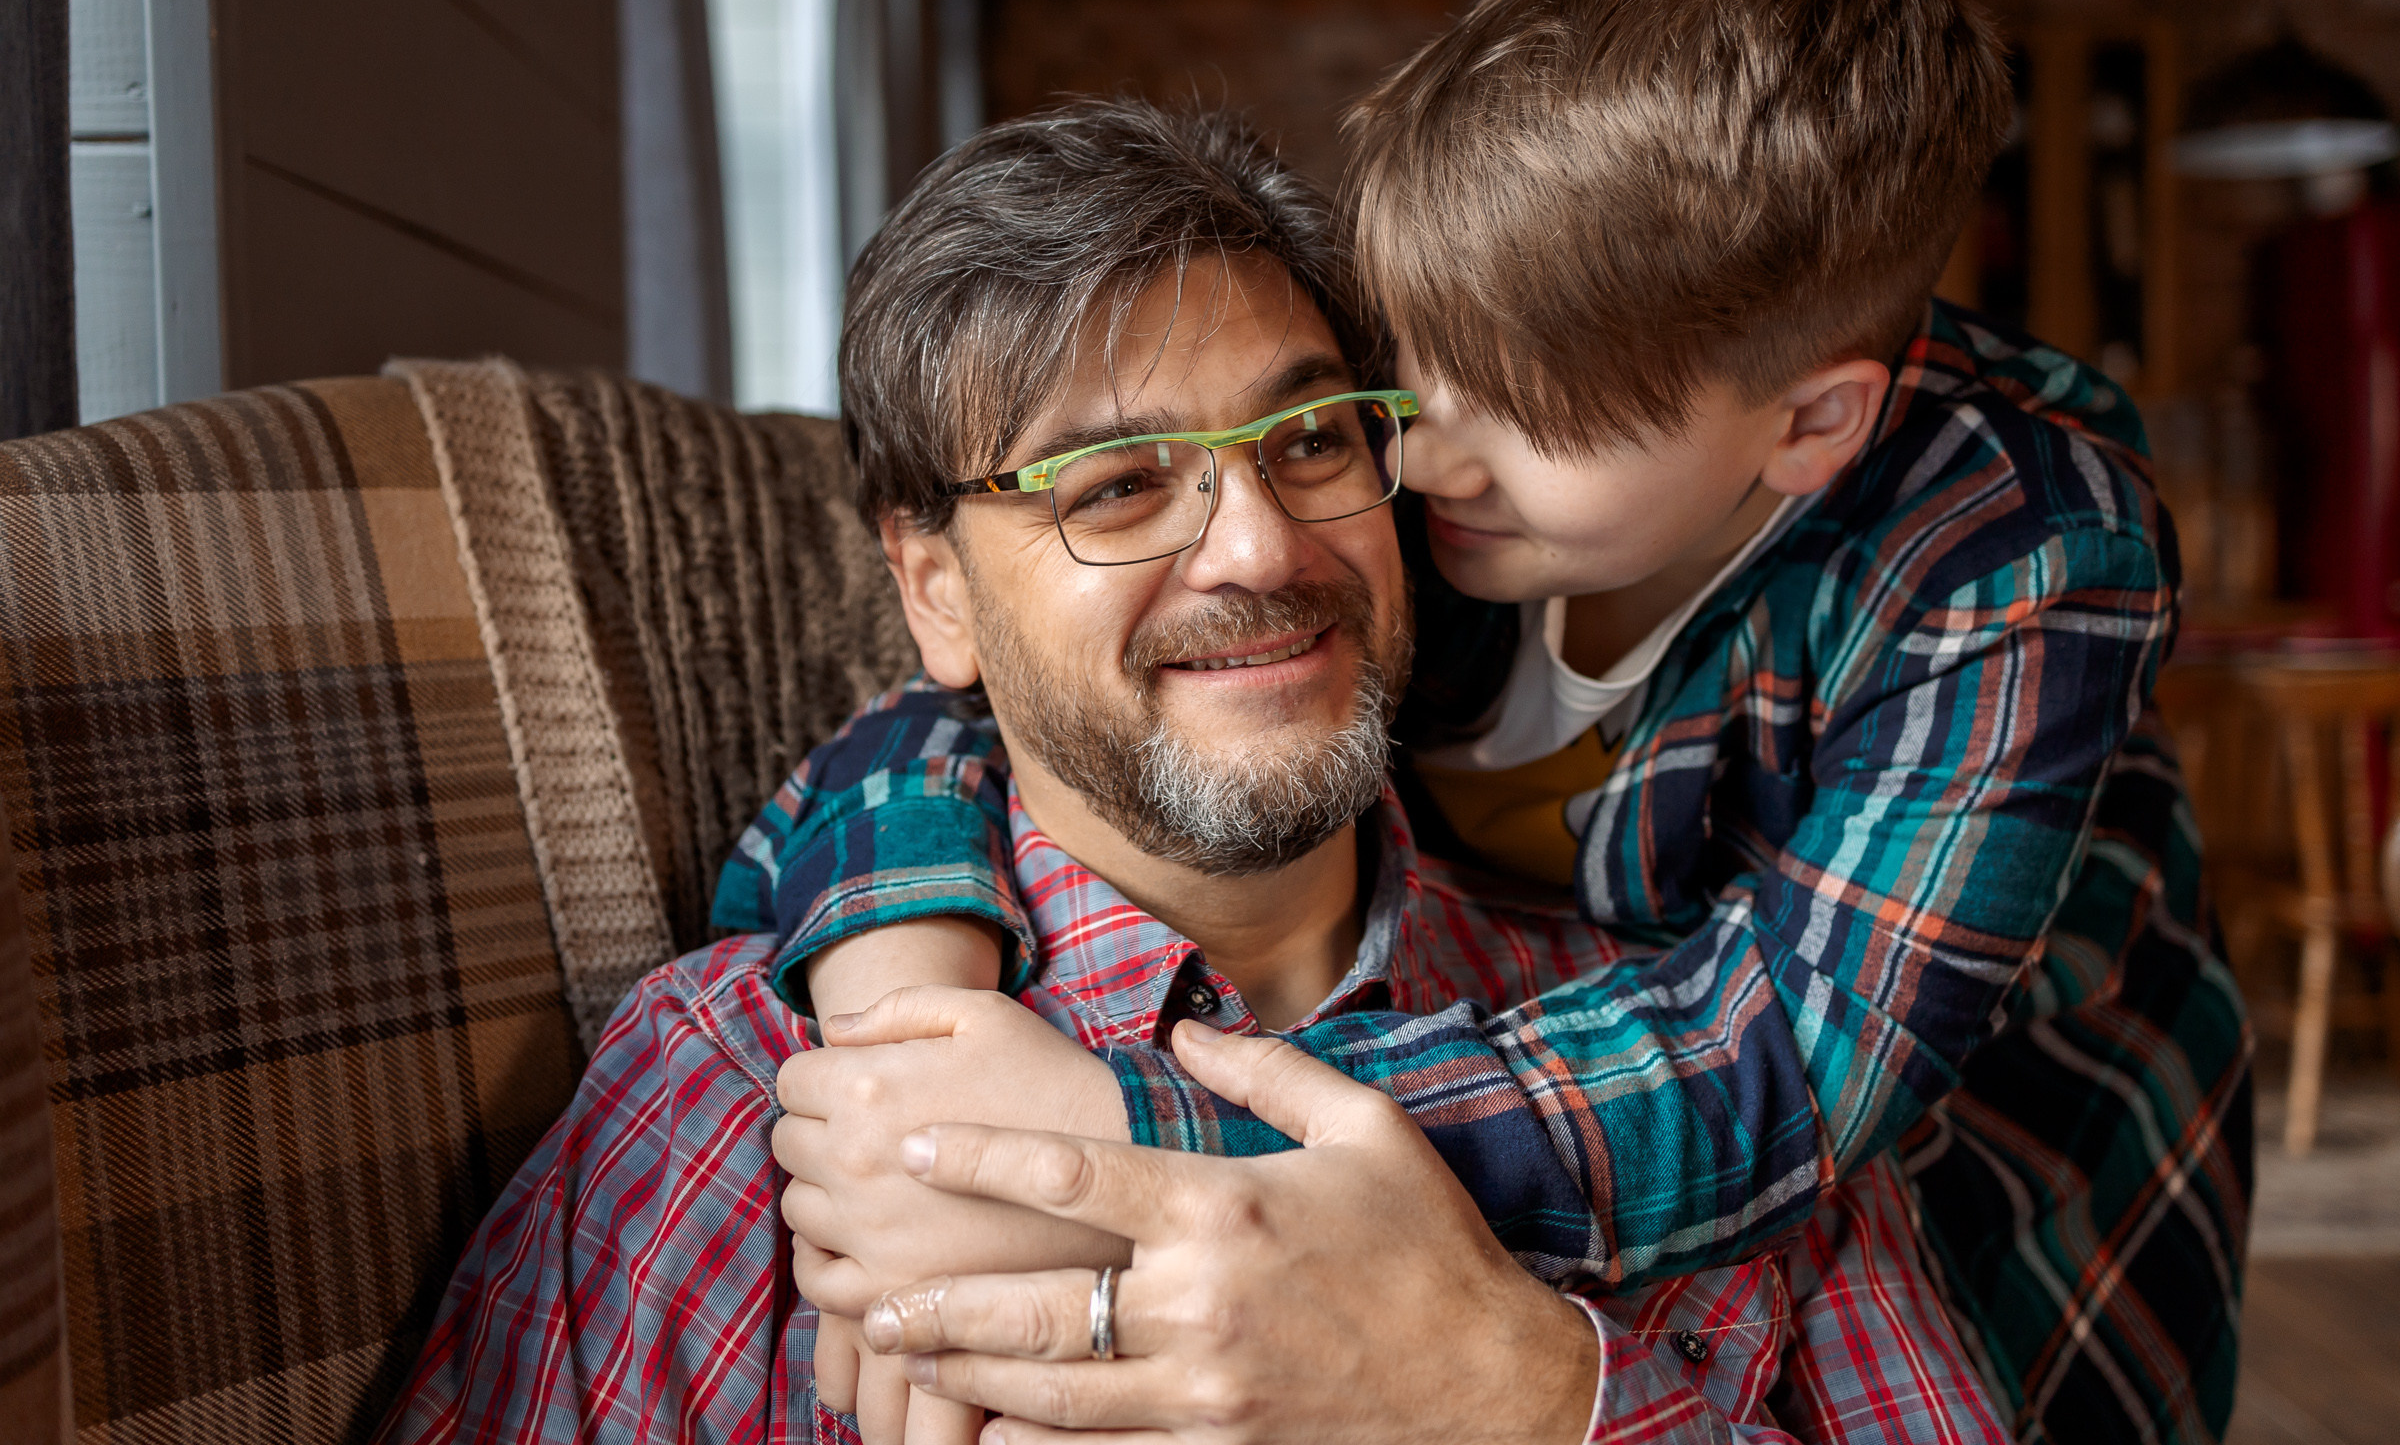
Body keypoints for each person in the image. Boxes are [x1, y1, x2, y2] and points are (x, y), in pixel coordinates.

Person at [738, 0, 2251, 1445]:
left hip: (2005, 1169)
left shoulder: (2017, 553)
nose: (1421, 454)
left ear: (1807, 424)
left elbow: (1775, 1078)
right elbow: (993, 705)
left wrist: (1114, 1135)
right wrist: (900, 1019)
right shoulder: (1404, 483)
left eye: (1521, 413)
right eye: (1397, 370)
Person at [379, 98, 2007, 1444]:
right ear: (934, 586)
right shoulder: (757, 1107)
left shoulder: (1687, 1073)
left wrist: (1521, 1393)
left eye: (1310, 441)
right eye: (1116, 482)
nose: (1261, 545)